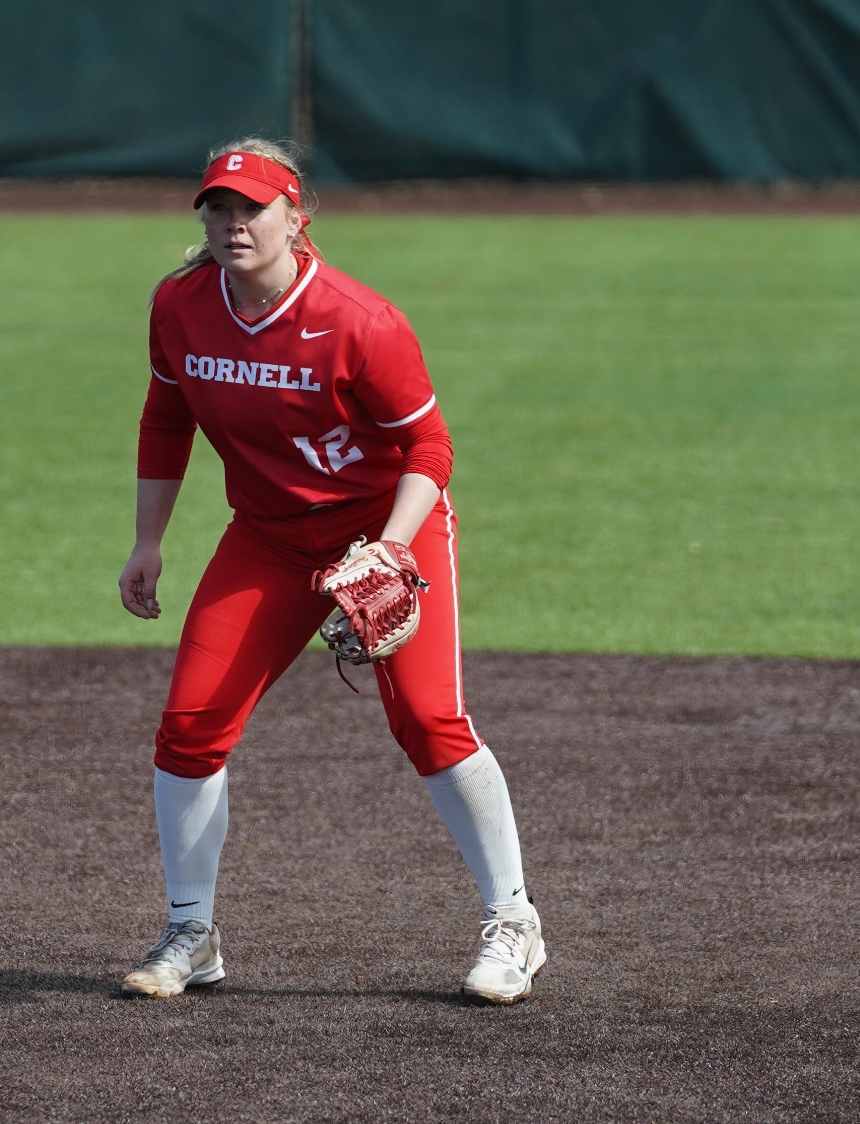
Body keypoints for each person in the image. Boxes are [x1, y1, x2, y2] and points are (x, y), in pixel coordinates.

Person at [117, 138, 545, 1005]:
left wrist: (389, 547)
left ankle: (516, 923)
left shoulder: (359, 319)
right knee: (191, 724)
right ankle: (191, 931)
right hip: (269, 539)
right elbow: (168, 416)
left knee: (430, 720)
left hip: (385, 529)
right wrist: (148, 540)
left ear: (295, 216)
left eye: (253, 208)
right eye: (218, 208)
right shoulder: (183, 304)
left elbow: (431, 447)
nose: (233, 223)